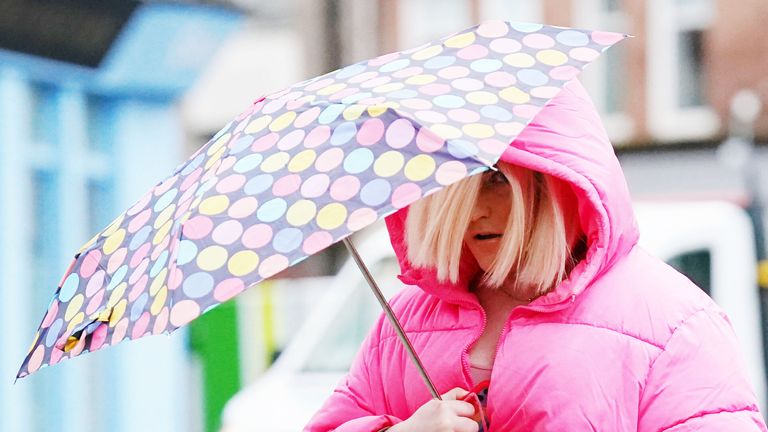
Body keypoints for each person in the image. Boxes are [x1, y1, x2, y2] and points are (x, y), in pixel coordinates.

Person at [304, 79, 768, 431]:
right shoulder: (405, 323)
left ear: (558, 183)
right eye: (451, 187)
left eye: (496, 180)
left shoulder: (673, 323)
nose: (473, 212)